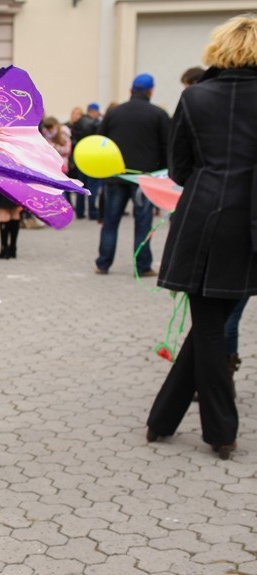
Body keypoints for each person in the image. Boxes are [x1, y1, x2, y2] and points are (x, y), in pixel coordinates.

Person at [146, 14, 257, 461]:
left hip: (203, 215)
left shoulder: (195, 98)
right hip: (248, 219)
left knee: (208, 324)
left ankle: (163, 419)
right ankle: (220, 430)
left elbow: (179, 169)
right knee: (214, 324)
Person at [95, 72, 171, 276]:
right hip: (145, 178)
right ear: (150, 91)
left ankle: (103, 263)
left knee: (110, 221)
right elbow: (166, 147)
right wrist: (163, 174)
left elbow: (100, 143)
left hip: (115, 175)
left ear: (131, 90)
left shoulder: (114, 113)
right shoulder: (158, 114)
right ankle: (143, 265)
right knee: (143, 223)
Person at [69, 103, 102, 220]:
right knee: (92, 186)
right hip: (91, 158)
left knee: (80, 186)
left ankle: (79, 211)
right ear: (94, 112)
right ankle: (92, 212)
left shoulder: (78, 122)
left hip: (79, 157)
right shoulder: (94, 124)